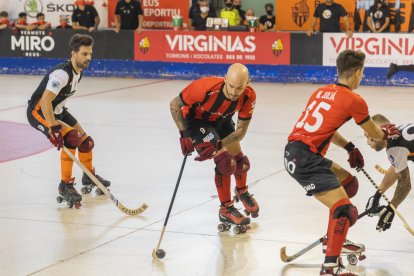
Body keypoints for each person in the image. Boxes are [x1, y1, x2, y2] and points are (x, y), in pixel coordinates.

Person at [284, 49, 401, 275]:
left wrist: (349, 147)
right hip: (307, 159)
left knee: (350, 185)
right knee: (345, 210)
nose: (363, 76)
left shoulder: (321, 92)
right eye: (363, 72)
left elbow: (327, 130)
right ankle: (330, 267)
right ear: (357, 73)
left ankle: (334, 240)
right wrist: (391, 133)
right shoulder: (354, 99)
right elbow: (375, 134)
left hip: (297, 152)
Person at [170, 63, 259, 232]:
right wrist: (184, 133)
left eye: (239, 88)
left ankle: (242, 191)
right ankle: (226, 209)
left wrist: (218, 144)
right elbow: (174, 105)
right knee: (226, 164)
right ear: (225, 79)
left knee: (242, 163)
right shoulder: (204, 88)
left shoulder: (248, 96)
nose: (234, 92)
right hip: (196, 122)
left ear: (248, 83)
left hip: (222, 120)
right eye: (231, 86)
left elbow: (240, 131)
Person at [26, 34, 110, 208]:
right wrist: (54, 128)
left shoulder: (78, 73)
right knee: (72, 138)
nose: (88, 58)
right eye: (84, 54)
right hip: (39, 112)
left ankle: (89, 175)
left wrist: (59, 120)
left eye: (90, 54)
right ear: (74, 53)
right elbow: (45, 101)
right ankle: (65, 184)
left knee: (87, 143)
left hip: (59, 111)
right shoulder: (61, 74)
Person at [364, 114, 412, 232]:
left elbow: (405, 184)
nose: (367, 142)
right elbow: (396, 169)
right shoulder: (398, 133)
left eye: (368, 136)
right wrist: (378, 195)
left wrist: (391, 209)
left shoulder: (394, 147)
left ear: (377, 133)